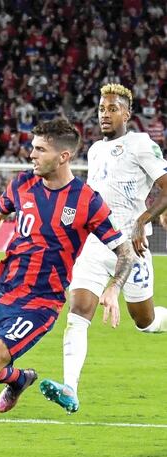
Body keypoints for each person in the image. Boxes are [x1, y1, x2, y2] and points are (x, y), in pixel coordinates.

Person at [0, 119, 135, 453]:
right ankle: (20, 379)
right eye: (33, 147)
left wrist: (114, 287)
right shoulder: (22, 184)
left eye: (40, 149)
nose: (31, 154)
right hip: (1, 291)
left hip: (40, 303)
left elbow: (125, 252)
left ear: (63, 156)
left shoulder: (87, 200)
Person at [40, 84, 167, 413]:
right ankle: (70, 388)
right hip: (96, 244)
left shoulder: (141, 144)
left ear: (127, 113)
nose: (105, 114)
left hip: (132, 247)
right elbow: (91, 199)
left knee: (144, 320)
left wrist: (143, 219)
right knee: (78, 312)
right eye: (101, 108)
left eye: (112, 108)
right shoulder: (95, 150)